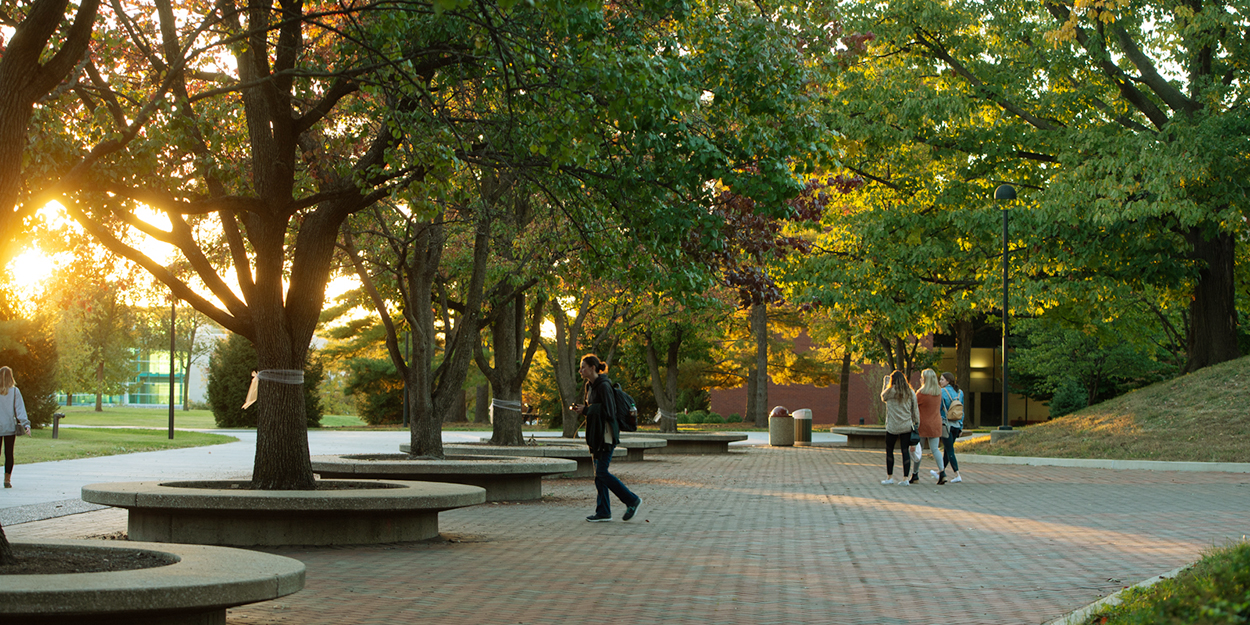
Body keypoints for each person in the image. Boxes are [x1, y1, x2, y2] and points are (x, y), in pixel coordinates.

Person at [571, 354, 641, 522]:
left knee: (602, 472)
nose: (580, 370)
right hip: (595, 435)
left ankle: (631, 500)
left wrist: (587, 410)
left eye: (583, 367)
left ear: (592, 368)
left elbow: (609, 412)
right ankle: (603, 511)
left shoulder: (604, 386)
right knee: (598, 474)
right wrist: (583, 409)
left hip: (606, 436)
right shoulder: (590, 386)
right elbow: (593, 408)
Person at [879, 370, 918, 485]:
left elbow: (882, 397)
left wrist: (885, 384)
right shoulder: (910, 393)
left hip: (892, 426)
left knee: (889, 450)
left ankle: (889, 477)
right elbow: (915, 410)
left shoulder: (889, 392)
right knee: (904, 451)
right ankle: (905, 478)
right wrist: (916, 423)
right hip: (906, 425)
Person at [911, 369, 947, 485]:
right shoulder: (938, 392)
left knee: (918, 450)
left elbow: (914, 407)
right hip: (935, 423)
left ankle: (915, 474)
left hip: (922, 424)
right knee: (935, 449)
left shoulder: (921, 393)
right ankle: (942, 472)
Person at [930, 371, 965, 484]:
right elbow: (962, 411)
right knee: (947, 448)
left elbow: (939, 409)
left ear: (948, 381)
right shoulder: (960, 392)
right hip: (957, 424)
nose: (940, 381)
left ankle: (957, 474)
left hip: (947, 424)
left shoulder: (942, 392)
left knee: (949, 450)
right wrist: (961, 426)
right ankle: (941, 472)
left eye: (942, 379)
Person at [0, 366, 31, 488]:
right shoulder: (14, 392)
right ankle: (7, 480)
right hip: (9, 427)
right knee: (9, 453)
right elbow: (20, 409)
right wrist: (26, 424)